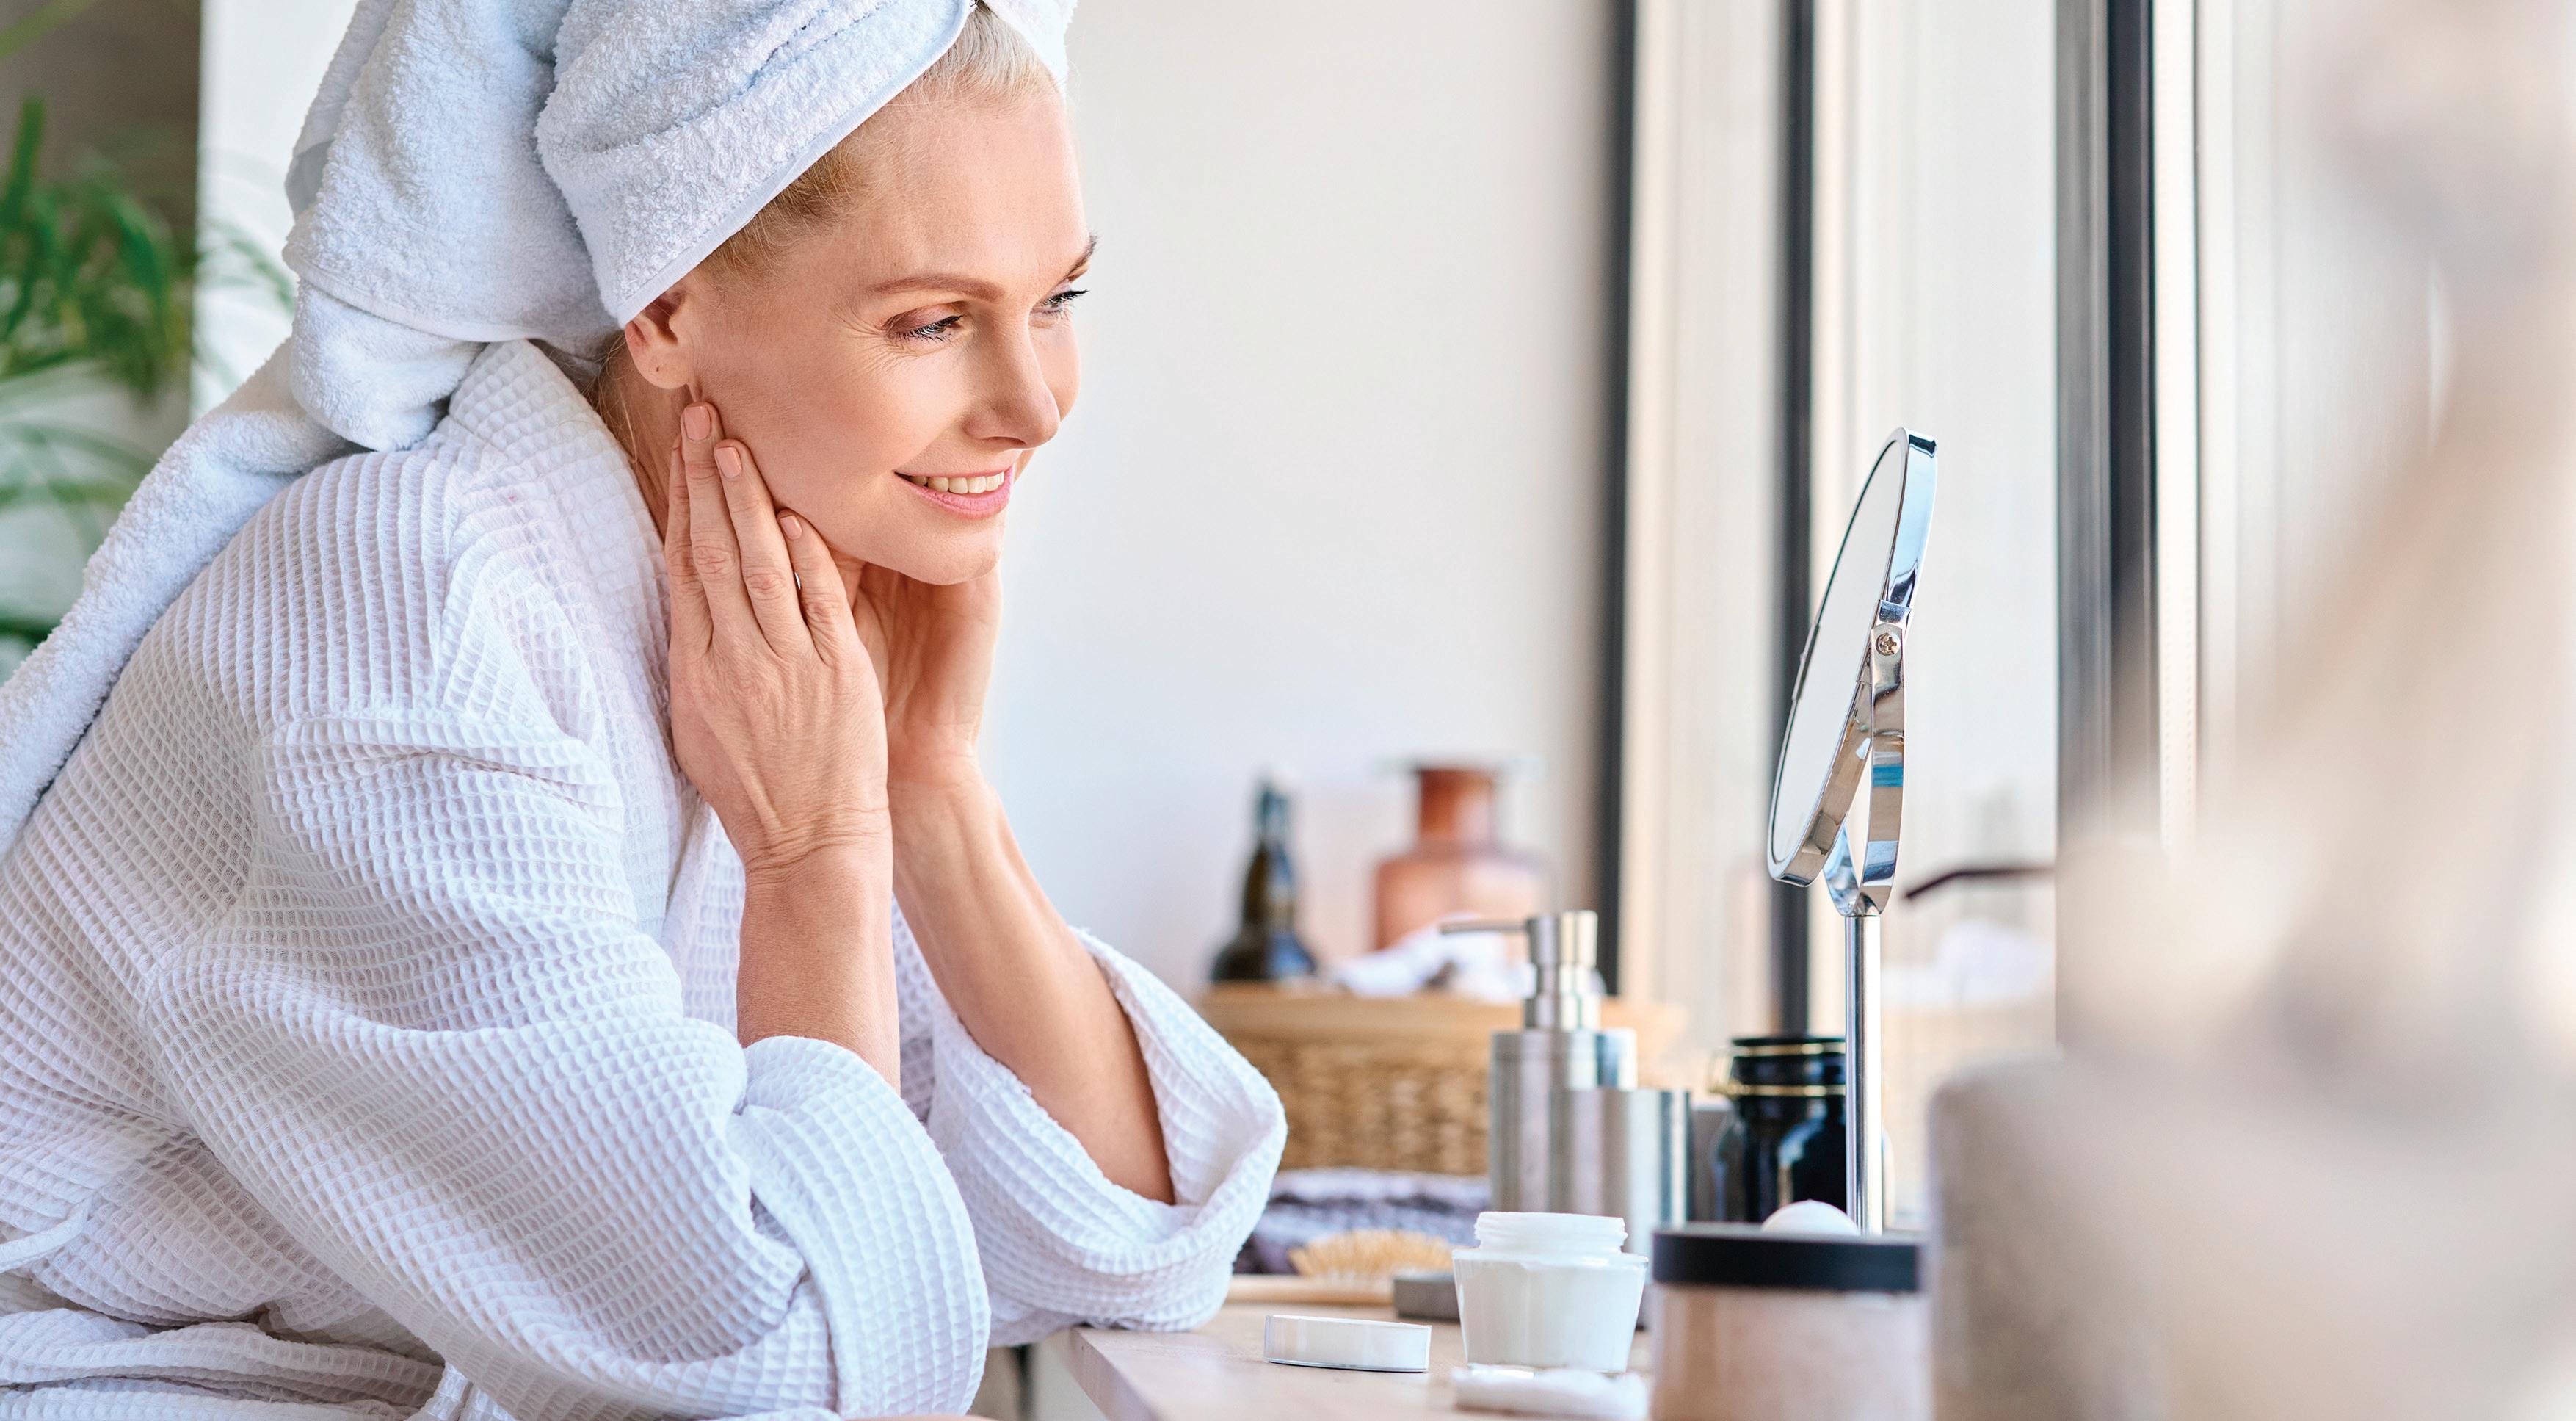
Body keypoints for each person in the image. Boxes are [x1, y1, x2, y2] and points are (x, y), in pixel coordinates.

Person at [0, 4, 1285, 1417]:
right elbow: (779, 1363)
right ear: (667, 307)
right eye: (933, 321)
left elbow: (1121, 1238)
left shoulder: (746, 634)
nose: (1034, 406)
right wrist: (813, 857)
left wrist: (928, 785)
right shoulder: (408, 609)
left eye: (1057, 301)